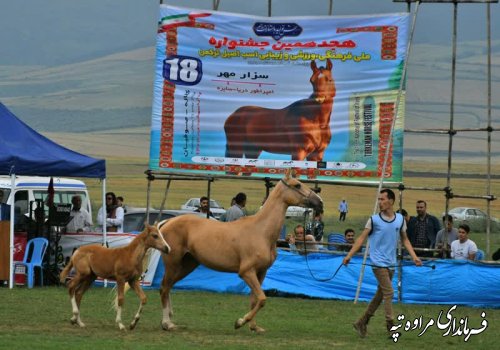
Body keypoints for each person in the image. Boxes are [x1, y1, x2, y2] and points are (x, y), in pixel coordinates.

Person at [343, 188, 422, 338]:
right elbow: (361, 239)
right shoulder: (374, 220)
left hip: (391, 262)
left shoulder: (400, 219)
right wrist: (349, 255)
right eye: (379, 199)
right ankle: (391, 326)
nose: (380, 202)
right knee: (389, 292)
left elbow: (405, 240)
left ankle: (362, 322)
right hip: (377, 262)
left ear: (391, 201)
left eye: (382, 199)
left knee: (381, 295)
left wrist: (414, 257)